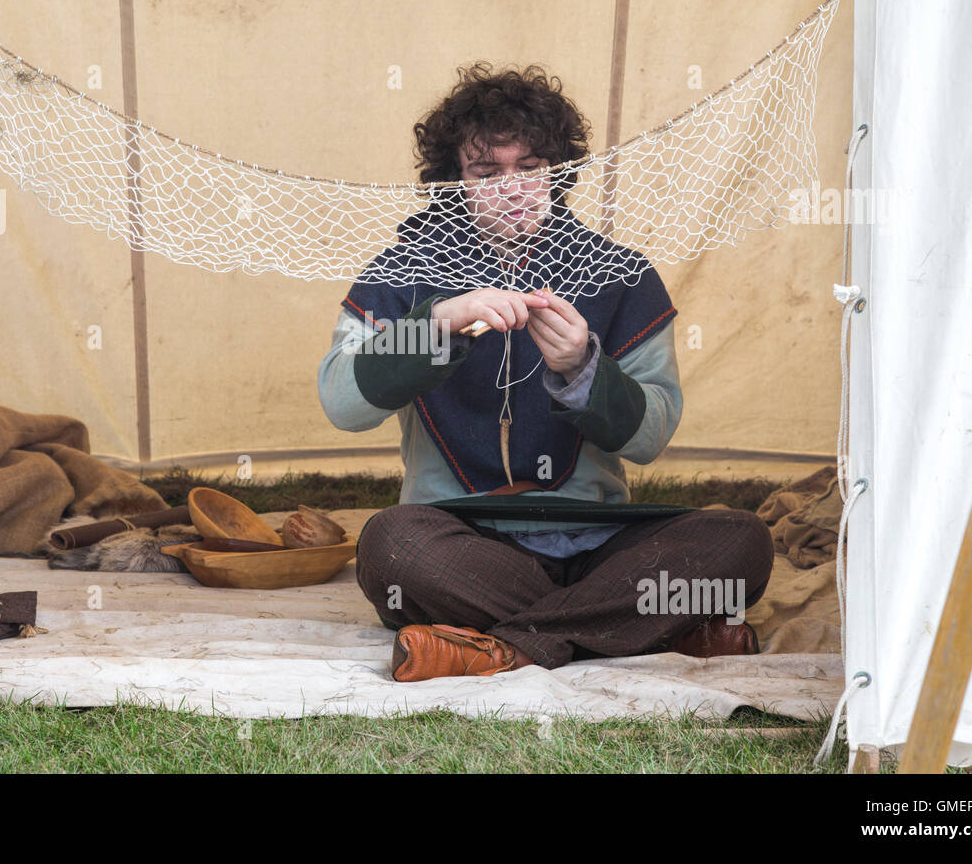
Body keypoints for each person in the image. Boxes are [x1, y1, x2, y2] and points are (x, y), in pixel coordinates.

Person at [317, 63, 773, 681]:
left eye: (529, 169)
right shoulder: (402, 271)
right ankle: (639, 629)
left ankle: (499, 645)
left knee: (741, 541)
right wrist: (437, 325)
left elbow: (651, 438)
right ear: (452, 181)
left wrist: (584, 368)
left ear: (556, 175)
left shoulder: (620, 275)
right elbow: (344, 406)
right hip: (466, 538)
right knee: (389, 547)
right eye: (486, 172)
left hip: (599, 543)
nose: (511, 189)